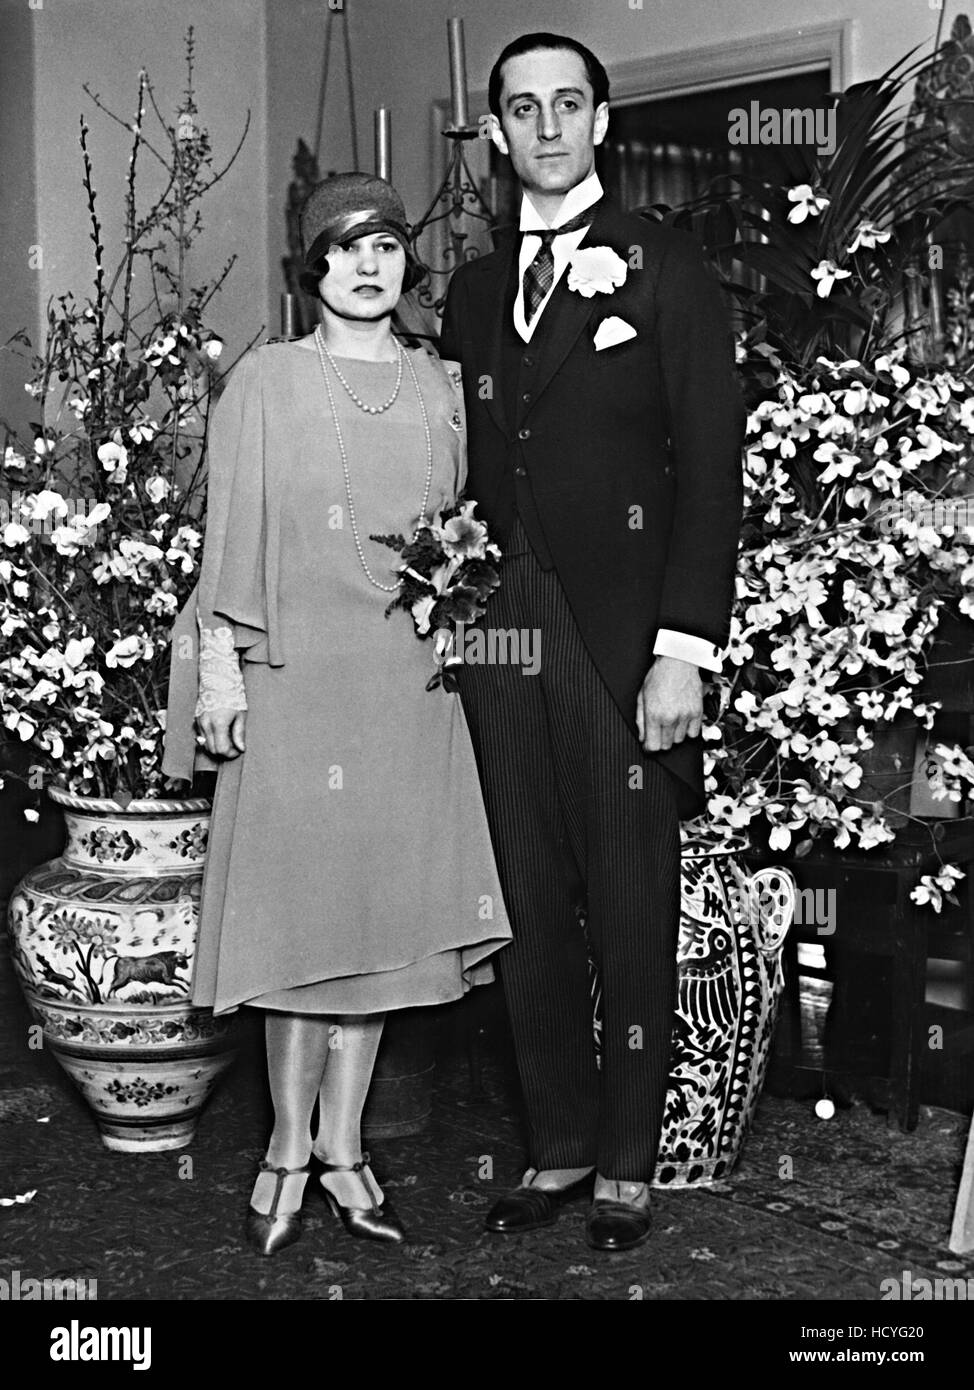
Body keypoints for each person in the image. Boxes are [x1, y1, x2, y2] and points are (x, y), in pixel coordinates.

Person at [163, 172, 511, 1257]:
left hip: (402, 689)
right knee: (300, 933)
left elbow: (465, 527)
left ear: (409, 264)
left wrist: (463, 613)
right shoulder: (266, 380)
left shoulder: (439, 385)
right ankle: (282, 1150)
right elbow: (228, 540)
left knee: (380, 935)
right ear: (308, 269)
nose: (368, 266)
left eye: (387, 246)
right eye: (344, 248)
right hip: (294, 682)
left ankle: (347, 1149)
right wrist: (219, 676)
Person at [440, 33, 745, 1251]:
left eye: (569, 104)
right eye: (523, 108)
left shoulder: (666, 270)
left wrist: (684, 649)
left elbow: (711, 473)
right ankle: (556, 1144)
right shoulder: (464, 291)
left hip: (621, 636)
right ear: (500, 133)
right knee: (518, 895)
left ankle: (626, 1161)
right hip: (494, 632)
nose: (548, 126)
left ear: (602, 122)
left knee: (627, 898)